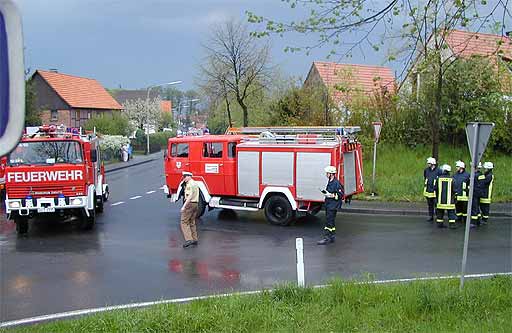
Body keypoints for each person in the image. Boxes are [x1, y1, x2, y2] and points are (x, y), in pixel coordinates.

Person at [317, 165, 344, 245]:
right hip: (329, 205)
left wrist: (331, 195)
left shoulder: (336, 183)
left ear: (331, 174)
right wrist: (326, 193)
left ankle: (327, 238)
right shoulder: (330, 181)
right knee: (331, 222)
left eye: (327, 173)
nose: (326, 174)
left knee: (329, 222)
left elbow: (340, 195)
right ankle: (332, 237)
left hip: (332, 206)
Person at [180, 171, 200, 248]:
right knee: (192, 221)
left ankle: (188, 239)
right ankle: (195, 239)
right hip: (196, 204)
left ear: (189, 176)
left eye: (185, 177)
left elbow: (189, 196)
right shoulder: (195, 183)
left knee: (184, 222)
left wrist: (184, 206)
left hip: (190, 204)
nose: (184, 178)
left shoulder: (189, 185)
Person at [434, 164, 457, 229]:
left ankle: (440, 224)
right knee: (451, 213)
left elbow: (435, 188)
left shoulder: (438, 179)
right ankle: (452, 225)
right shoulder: (452, 179)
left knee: (440, 213)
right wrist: (455, 198)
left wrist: (436, 198)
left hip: (440, 201)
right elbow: (455, 190)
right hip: (450, 202)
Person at [423, 157, 441, 222]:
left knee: (436, 204)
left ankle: (438, 217)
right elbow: (425, 178)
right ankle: (431, 216)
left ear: (433, 163)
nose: (428, 164)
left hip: (435, 191)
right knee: (430, 204)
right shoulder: (426, 170)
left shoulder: (439, 171)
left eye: (429, 163)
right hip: (428, 191)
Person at [470, 163, 483, 227]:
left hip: (475, 193)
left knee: (474, 208)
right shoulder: (481, 175)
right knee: (477, 207)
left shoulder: (474, 175)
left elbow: (474, 185)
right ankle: (478, 221)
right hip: (478, 193)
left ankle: (474, 222)